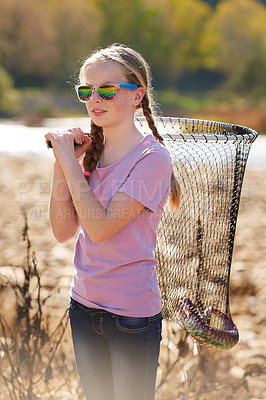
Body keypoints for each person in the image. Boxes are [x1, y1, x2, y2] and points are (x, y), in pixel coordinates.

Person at [45, 43, 180, 400]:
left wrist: (71, 165)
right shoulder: (89, 153)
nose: (95, 98)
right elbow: (62, 232)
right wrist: (64, 164)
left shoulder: (152, 159)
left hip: (132, 317)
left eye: (107, 89)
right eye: (87, 90)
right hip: (83, 307)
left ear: (137, 96)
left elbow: (101, 228)